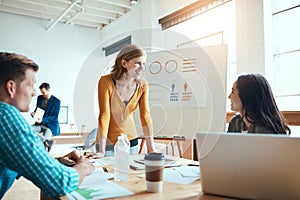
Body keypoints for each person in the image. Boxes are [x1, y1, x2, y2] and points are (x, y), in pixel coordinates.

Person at [0, 52, 95, 198]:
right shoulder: (5, 116)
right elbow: (60, 183)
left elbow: (23, 160)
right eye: (31, 85)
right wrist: (83, 167)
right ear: (11, 87)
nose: (33, 93)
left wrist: (54, 162)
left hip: (49, 125)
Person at [95, 44, 155, 158]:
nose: (142, 68)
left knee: (130, 175)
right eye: (137, 63)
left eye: (143, 64)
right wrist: (101, 151)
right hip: (107, 144)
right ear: (124, 63)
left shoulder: (142, 85)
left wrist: (151, 149)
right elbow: (104, 114)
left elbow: (145, 115)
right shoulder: (106, 82)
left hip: (131, 142)